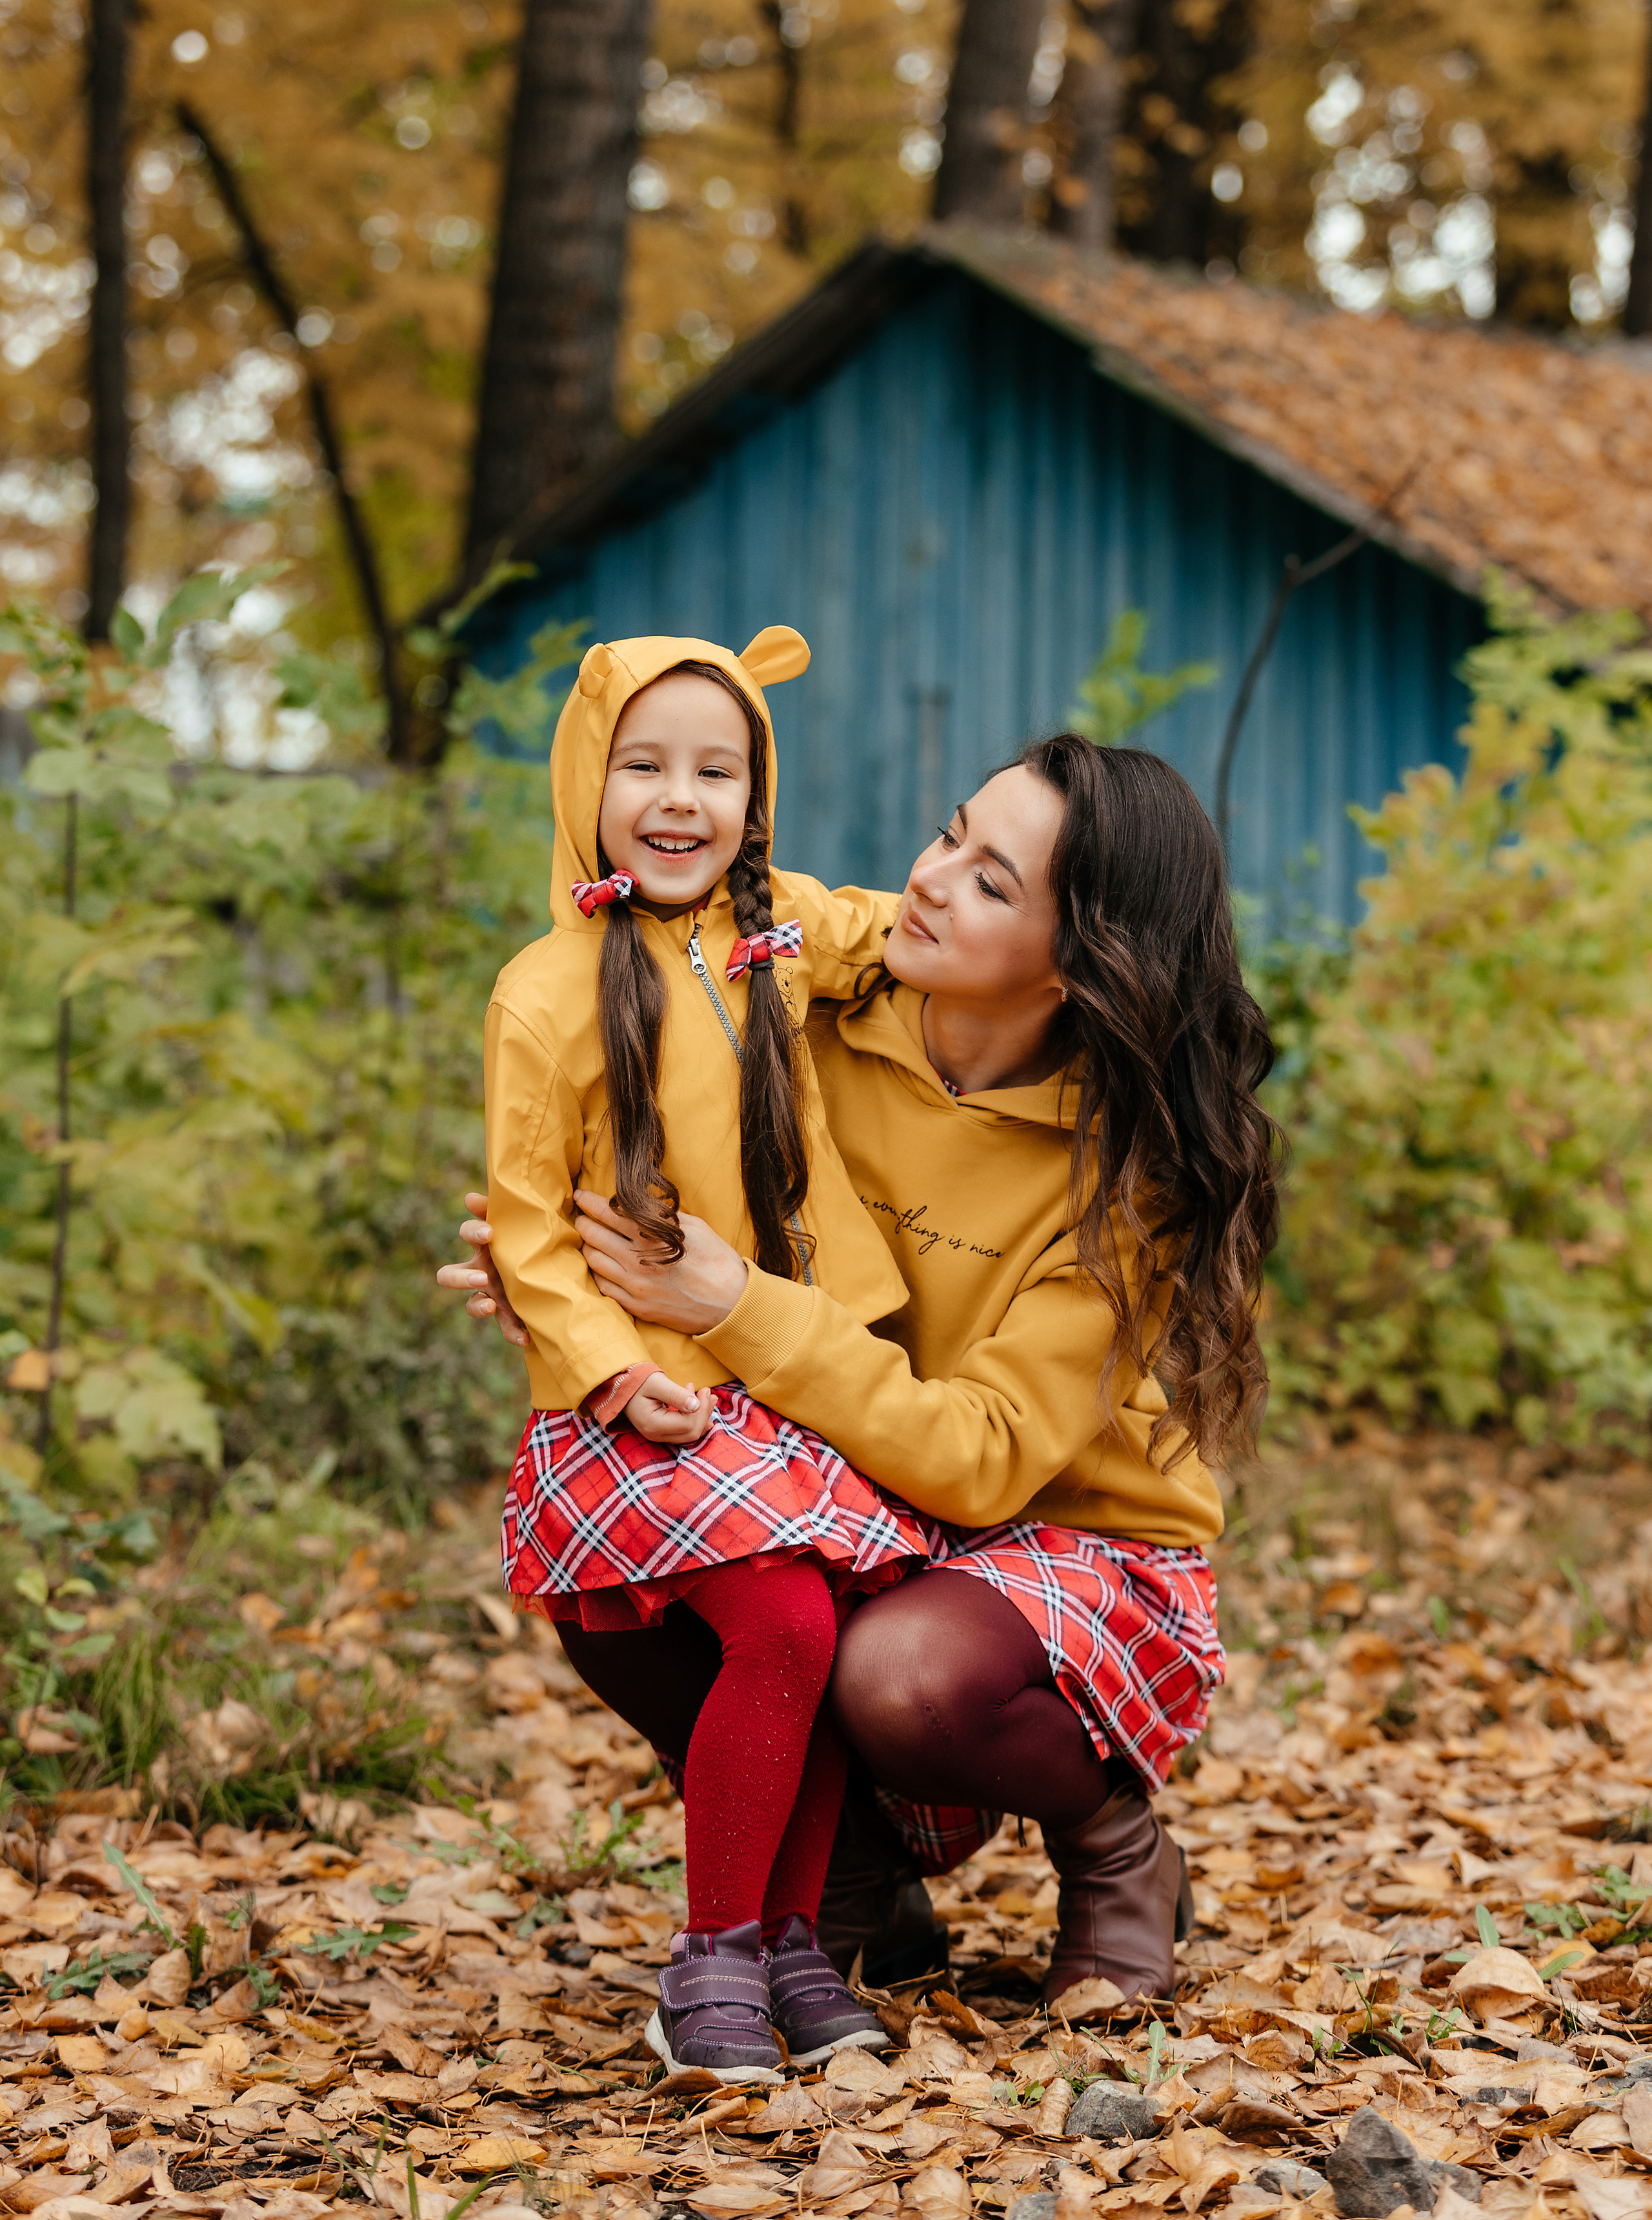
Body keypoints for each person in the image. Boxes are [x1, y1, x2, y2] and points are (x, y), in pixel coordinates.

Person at [447, 734, 1279, 2007]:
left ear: (1082, 960)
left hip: (1059, 1532)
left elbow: (986, 1455)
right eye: (949, 834)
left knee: (900, 1679)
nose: (931, 879)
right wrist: (568, 1283)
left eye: (993, 882)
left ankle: (1115, 1847)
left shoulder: (1127, 1171)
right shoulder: (801, 1003)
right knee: (610, 1561)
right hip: (838, 1479)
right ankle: (854, 1867)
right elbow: (656, 1161)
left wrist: (732, 1304)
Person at [484, 626, 934, 2083]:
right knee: (787, 1630)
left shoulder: (777, 929)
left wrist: (998, 910)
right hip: (648, 1401)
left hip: (784, 1371)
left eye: (716, 770)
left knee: (821, 1625)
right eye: (644, 765)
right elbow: (530, 1227)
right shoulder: (543, 994)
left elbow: (884, 932)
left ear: (756, 794)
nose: (679, 799)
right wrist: (615, 1369)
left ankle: (791, 1944)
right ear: (586, 779)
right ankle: (714, 1956)